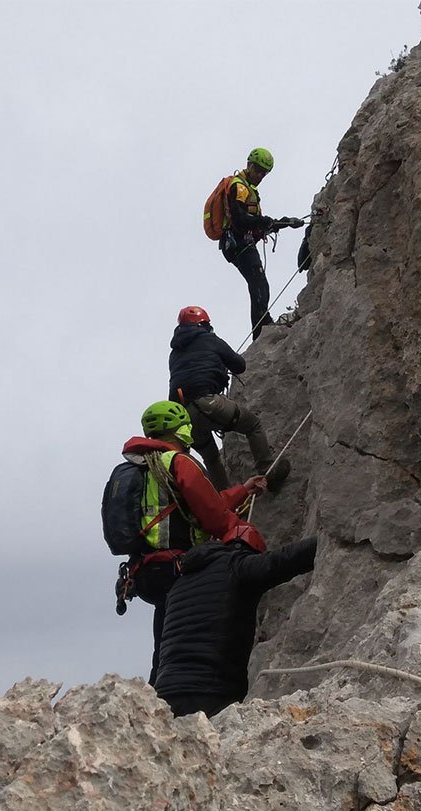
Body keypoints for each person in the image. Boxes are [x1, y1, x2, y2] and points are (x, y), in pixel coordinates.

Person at [121, 400, 267, 684]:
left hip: (145, 571)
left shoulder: (141, 466)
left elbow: (195, 505)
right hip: (179, 566)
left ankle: (156, 693)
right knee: (195, 638)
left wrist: (242, 490)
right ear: (181, 429)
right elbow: (214, 516)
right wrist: (249, 544)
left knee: (164, 640)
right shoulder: (178, 462)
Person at [154, 524, 318, 718]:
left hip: (166, 693)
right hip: (211, 692)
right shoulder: (236, 565)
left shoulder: (177, 587)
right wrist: (322, 541)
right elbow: (281, 560)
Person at [168, 305, 291, 492]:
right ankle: (268, 471)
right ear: (203, 324)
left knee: (210, 457)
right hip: (209, 402)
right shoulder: (209, 339)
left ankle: (225, 501)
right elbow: (239, 365)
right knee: (252, 425)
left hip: (183, 416)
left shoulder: (174, 354)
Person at [220, 148, 293, 340]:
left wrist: (282, 223)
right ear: (249, 165)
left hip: (242, 242)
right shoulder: (240, 187)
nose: (261, 176)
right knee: (259, 284)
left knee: (259, 284)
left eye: (265, 173)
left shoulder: (249, 189)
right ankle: (261, 329)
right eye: (259, 170)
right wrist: (265, 221)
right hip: (238, 243)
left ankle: (261, 325)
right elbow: (241, 218)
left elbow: (255, 221)